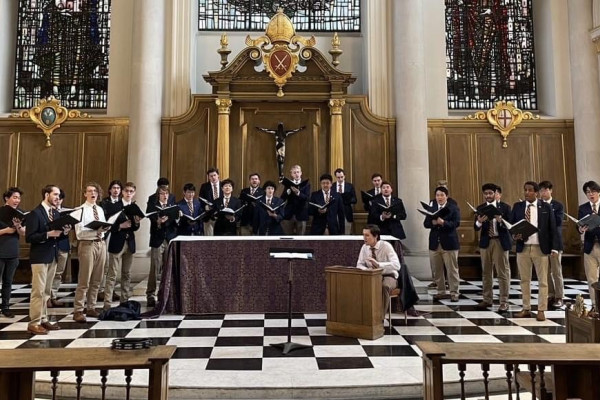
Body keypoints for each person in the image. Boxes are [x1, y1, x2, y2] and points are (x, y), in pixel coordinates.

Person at [511, 181, 560, 322]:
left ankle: (541, 309)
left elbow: (552, 228)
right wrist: (514, 235)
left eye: (530, 190)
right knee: (524, 280)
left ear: (536, 192)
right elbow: (512, 225)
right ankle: (526, 308)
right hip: (523, 247)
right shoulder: (518, 207)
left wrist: (555, 247)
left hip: (541, 247)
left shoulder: (545, 207)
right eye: (525, 190)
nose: (527, 192)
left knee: (542, 281)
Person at [25, 184, 71, 334]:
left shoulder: (56, 214)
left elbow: (57, 235)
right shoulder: (35, 213)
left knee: (46, 291)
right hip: (39, 256)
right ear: (46, 195)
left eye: (58, 195)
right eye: (55, 194)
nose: (58, 197)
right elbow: (30, 237)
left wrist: (64, 232)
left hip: (52, 255)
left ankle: (44, 319)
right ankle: (34, 322)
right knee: (38, 291)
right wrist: (47, 234)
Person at [73, 182, 110, 322]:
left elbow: (103, 226)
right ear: (85, 194)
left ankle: (91, 307)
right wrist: (95, 231)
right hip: (87, 244)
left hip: (100, 244)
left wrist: (103, 231)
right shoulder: (79, 210)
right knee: (84, 279)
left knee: (97, 279)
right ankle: (78, 310)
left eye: (95, 190)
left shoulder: (99, 209)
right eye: (89, 191)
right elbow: (79, 233)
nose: (93, 193)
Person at [473, 183, 512, 312]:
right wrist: (479, 221)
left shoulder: (505, 208)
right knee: (486, 272)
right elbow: (476, 227)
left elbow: (511, 226)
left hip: (500, 241)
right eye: (486, 193)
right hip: (486, 242)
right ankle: (487, 299)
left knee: (502, 272)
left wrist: (501, 221)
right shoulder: (480, 208)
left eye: (490, 193)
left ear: (495, 193)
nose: (488, 196)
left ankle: (504, 301)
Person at [104, 182, 140, 309]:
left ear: (134, 193)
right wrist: (119, 226)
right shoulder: (115, 206)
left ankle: (124, 300)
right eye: (127, 191)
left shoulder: (134, 207)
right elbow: (107, 225)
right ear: (122, 192)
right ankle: (107, 303)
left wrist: (136, 222)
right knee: (112, 274)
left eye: (131, 191)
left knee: (127, 274)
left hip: (129, 242)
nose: (129, 193)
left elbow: (135, 227)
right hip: (117, 242)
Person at [424, 186, 461, 302]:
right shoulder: (432, 207)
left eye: (442, 195)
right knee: (437, 269)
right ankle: (441, 291)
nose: (439, 197)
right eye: (437, 195)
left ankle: (454, 292)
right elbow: (426, 224)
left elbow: (456, 223)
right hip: (435, 243)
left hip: (449, 243)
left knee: (452, 270)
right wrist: (433, 222)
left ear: (446, 196)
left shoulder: (453, 208)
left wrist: (443, 222)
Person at [356, 224, 401, 318]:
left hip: (388, 275)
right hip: (371, 276)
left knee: (384, 286)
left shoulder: (386, 246)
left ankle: (379, 318)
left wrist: (379, 265)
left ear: (375, 236)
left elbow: (397, 265)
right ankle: (362, 317)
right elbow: (359, 264)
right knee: (358, 286)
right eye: (363, 235)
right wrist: (367, 270)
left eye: (367, 235)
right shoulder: (365, 247)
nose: (364, 238)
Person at [147, 185, 177, 307]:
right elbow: (151, 218)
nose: (165, 196)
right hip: (157, 239)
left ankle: (164, 293)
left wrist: (169, 219)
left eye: (166, 194)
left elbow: (174, 221)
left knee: (167, 268)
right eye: (162, 194)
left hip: (169, 239)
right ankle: (150, 294)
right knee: (155, 267)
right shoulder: (153, 206)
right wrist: (158, 221)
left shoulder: (171, 206)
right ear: (158, 195)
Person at [0, 187, 26, 318]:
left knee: (8, 281)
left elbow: (24, 233)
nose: (17, 200)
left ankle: (5, 307)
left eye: (19, 198)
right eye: (15, 197)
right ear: (7, 198)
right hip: (0, 251)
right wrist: (5, 231)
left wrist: (18, 227)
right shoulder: (1, 211)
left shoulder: (20, 213)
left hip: (13, 252)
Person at [539, 180, 565, 308]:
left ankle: (559, 296)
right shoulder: (538, 205)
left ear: (550, 191)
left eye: (545, 190)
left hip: (555, 242)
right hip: (543, 243)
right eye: (541, 190)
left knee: (556, 271)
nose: (543, 193)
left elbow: (558, 222)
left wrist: (548, 212)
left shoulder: (557, 205)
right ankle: (550, 294)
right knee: (546, 271)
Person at [98, 179, 123, 303]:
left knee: (113, 266)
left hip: (118, 236)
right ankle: (101, 290)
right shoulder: (104, 203)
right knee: (105, 263)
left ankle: (110, 289)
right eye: (114, 188)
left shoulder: (122, 203)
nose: (116, 190)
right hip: (107, 234)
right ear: (110, 190)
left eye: (118, 188)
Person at [578, 180, 600, 311]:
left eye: (593, 191)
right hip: (589, 246)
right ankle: (595, 305)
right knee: (592, 278)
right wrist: (581, 229)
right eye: (587, 192)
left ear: (598, 192)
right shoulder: (583, 208)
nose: (590, 194)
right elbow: (579, 224)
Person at [48, 189, 70, 308]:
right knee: (49, 272)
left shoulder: (66, 212)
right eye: (56, 197)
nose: (58, 200)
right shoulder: (48, 211)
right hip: (51, 245)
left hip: (63, 244)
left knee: (59, 273)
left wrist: (67, 230)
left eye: (60, 198)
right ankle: (47, 297)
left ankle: (54, 296)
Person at [280, 165, 310, 235]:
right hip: (289, 214)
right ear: (291, 174)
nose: (296, 174)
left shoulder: (306, 184)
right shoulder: (288, 184)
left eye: (298, 172)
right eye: (294, 173)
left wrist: (298, 193)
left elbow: (307, 198)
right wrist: (287, 192)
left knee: (301, 238)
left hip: (301, 213)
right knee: (287, 237)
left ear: (301, 173)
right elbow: (282, 198)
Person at [332, 168, 357, 235]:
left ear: (344, 176)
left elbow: (354, 199)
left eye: (342, 177)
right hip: (335, 213)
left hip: (346, 212)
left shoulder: (349, 186)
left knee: (347, 234)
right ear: (335, 177)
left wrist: (346, 199)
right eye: (338, 177)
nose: (340, 179)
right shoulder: (332, 186)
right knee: (335, 233)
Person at [199, 168, 221, 236]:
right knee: (209, 241)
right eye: (211, 176)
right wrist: (205, 206)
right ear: (208, 177)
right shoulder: (204, 186)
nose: (213, 177)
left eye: (214, 175)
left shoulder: (223, 185)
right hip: (208, 217)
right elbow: (201, 199)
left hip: (221, 217)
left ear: (218, 175)